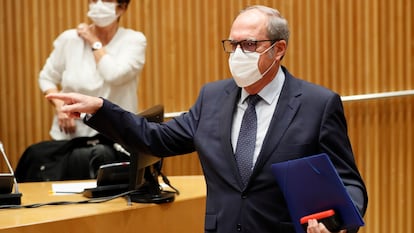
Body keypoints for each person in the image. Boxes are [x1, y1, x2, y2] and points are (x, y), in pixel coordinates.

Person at [47, 5, 368, 233]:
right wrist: (100, 108)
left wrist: (335, 224)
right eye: (233, 44)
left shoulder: (317, 104)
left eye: (250, 44)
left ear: (279, 49)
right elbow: (154, 139)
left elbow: (349, 182)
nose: (238, 53)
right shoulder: (213, 98)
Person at [39, 0, 146, 140]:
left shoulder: (134, 40)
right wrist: (60, 107)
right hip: (71, 135)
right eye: (94, 0)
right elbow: (46, 78)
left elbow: (113, 75)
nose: (98, 4)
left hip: (116, 136)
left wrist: (93, 41)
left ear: (122, 7)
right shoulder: (70, 39)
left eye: (106, 0)